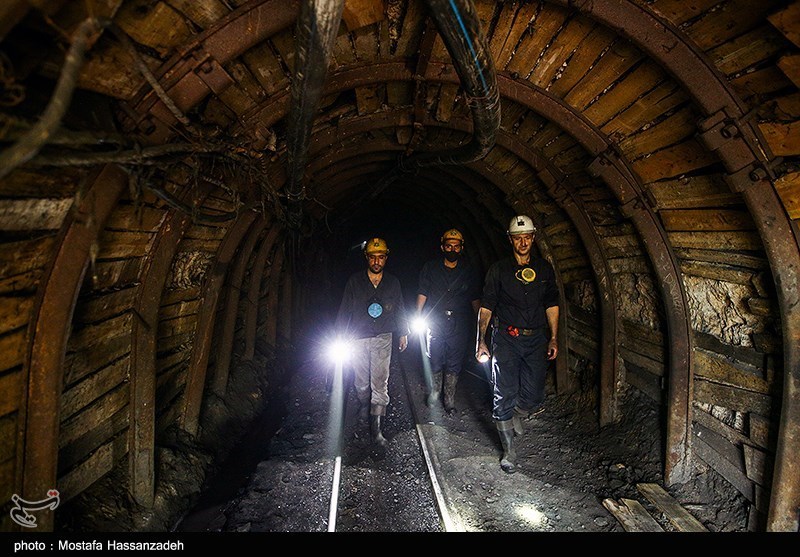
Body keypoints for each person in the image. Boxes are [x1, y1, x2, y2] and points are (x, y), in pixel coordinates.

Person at [475, 215, 559, 473]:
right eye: (517, 238)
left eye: (527, 237)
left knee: (534, 394)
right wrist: (481, 341)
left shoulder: (544, 269)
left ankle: (517, 413)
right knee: (504, 391)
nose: (523, 242)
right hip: (506, 338)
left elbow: (552, 304)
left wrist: (554, 336)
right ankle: (509, 450)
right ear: (510, 240)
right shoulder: (498, 270)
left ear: (533, 238)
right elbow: (486, 307)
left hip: (536, 338)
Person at [335, 237, 409, 447]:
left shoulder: (393, 283)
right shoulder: (354, 281)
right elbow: (345, 309)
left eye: (381, 257)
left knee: (380, 383)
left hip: (383, 337)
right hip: (357, 337)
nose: (377, 261)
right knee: (360, 382)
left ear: (386, 258)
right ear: (366, 258)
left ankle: (376, 430)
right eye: (373, 257)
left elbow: (400, 308)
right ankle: (363, 404)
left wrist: (403, 332)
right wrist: (340, 334)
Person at [415, 228, 481, 415]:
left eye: (456, 246)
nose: (452, 249)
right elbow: (422, 292)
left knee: (454, 360)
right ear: (442, 246)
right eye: (449, 246)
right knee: (434, 357)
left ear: (461, 248)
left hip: (459, 322)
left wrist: (480, 323)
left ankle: (449, 398)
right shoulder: (430, 268)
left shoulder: (468, 271)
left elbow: (475, 297)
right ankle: (435, 392)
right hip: (435, 320)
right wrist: (417, 314)